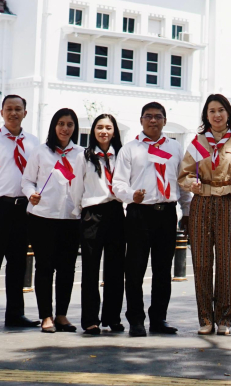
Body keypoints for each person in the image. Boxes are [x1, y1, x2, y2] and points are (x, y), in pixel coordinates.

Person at [180, 94, 231, 336]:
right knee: (201, 262)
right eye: (212, 111)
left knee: (226, 262)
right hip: (201, 202)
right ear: (206, 115)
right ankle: (205, 318)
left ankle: (224, 318)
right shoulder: (198, 142)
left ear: (228, 113)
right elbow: (184, 174)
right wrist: (190, 183)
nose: (217, 115)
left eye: (221, 110)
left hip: (227, 203)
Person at [112, 101, 189, 337]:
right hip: (139, 214)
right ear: (141, 120)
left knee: (163, 270)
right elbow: (118, 184)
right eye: (148, 116)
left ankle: (159, 319)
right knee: (134, 270)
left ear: (165, 120)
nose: (153, 120)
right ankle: (136, 319)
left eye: (157, 116)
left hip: (166, 213)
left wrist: (186, 212)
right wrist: (130, 196)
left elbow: (182, 183)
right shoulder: (130, 149)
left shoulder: (176, 148)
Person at [0, 95, 42, 333]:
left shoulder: (34, 144)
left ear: (25, 112)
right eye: (9, 109)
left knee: (18, 264)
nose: (13, 113)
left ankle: (15, 313)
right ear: (2, 113)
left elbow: (37, 176)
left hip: (23, 208)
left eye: (18, 109)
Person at [22, 108, 84, 333]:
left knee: (67, 268)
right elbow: (27, 181)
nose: (65, 128)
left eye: (69, 124)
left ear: (74, 128)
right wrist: (32, 194)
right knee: (45, 267)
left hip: (70, 218)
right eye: (61, 123)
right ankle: (45, 316)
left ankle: (62, 315)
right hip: (43, 217)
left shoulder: (81, 153)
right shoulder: (41, 152)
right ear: (53, 126)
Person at [78, 113, 125, 336]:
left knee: (115, 269)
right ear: (93, 131)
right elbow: (76, 188)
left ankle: (112, 317)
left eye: (108, 127)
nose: (103, 131)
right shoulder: (84, 156)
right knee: (90, 269)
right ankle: (90, 320)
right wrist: (80, 213)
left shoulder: (122, 156)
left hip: (116, 212)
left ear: (114, 131)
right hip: (92, 214)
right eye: (99, 127)